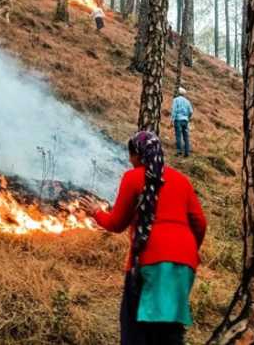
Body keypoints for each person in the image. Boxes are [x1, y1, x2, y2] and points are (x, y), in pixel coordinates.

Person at [80, 131, 207, 345]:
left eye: (130, 156)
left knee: (136, 329)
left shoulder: (133, 177)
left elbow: (116, 223)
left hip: (150, 261)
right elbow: (200, 222)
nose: (130, 161)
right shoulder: (180, 179)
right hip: (185, 263)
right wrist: (188, 250)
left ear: (137, 155)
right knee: (170, 329)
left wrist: (96, 212)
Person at [172, 87, 193, 157]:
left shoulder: (176, 100)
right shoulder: (188, 102)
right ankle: (187, 152)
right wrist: (188, 118)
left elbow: (174, 110)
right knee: (186, 137)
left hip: (178, 119)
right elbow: (191, 111)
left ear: (178, 93)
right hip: (185, 120)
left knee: (178, 135)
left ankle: (179, 151)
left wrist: (172, 120)